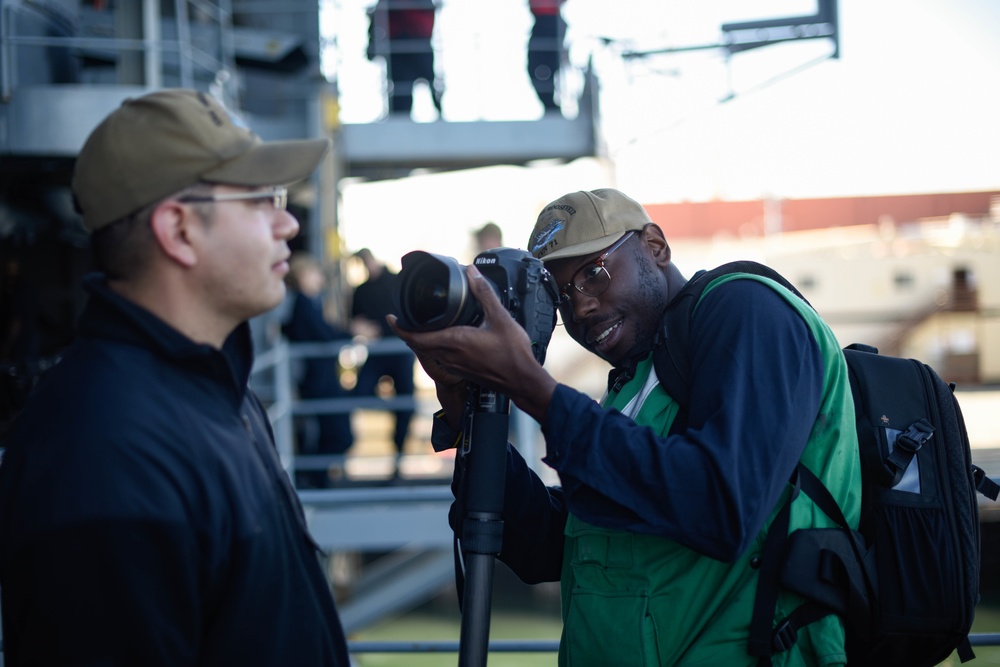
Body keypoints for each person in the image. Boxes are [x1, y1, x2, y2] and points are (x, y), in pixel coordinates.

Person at [389, 188, 861, 665]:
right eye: (561, 297)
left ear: (654, 246)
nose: (582, 308)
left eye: (594, 273)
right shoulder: (638, 377)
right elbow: (549, 546)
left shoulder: (746, 307)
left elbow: (724, 504)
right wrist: (460, 401)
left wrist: (534, 388)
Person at [0, 89, 350, 666]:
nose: (288, 223)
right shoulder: (102, 453)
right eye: (263, 199)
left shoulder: (220, 392)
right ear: (179, 230)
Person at [283, 252, 355, 488]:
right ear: (302, 276)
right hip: (318, 381)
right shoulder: (304, 304)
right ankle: (314, 477)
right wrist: (353, 331)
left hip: (320, 379)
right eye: (315, 273)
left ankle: (315, 476)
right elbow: (324, 335)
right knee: (339, 434)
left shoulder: (307, 304)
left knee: (331, 432)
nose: (320, 279)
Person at [351, 248, 416, 478]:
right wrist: (362, 328)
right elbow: (355, 319)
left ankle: (398, 459)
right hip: (378, 351)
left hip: (400, 351)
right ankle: (391, 409)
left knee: (406, 404)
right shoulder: (361, 290)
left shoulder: (396, 280)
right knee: (361, 392)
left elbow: (412, 308)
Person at [366, 0, 443, 117]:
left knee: (430, 84)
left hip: (418, 44)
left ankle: (439, 113)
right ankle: (400, 118)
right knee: (401, 94)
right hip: (399, 48)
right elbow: (378, 15)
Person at [527, 0, 567, 114]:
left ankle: (551, 106)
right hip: (541, 22)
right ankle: (550, 106)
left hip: (550, 22)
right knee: (536, 69)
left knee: (550, 68)